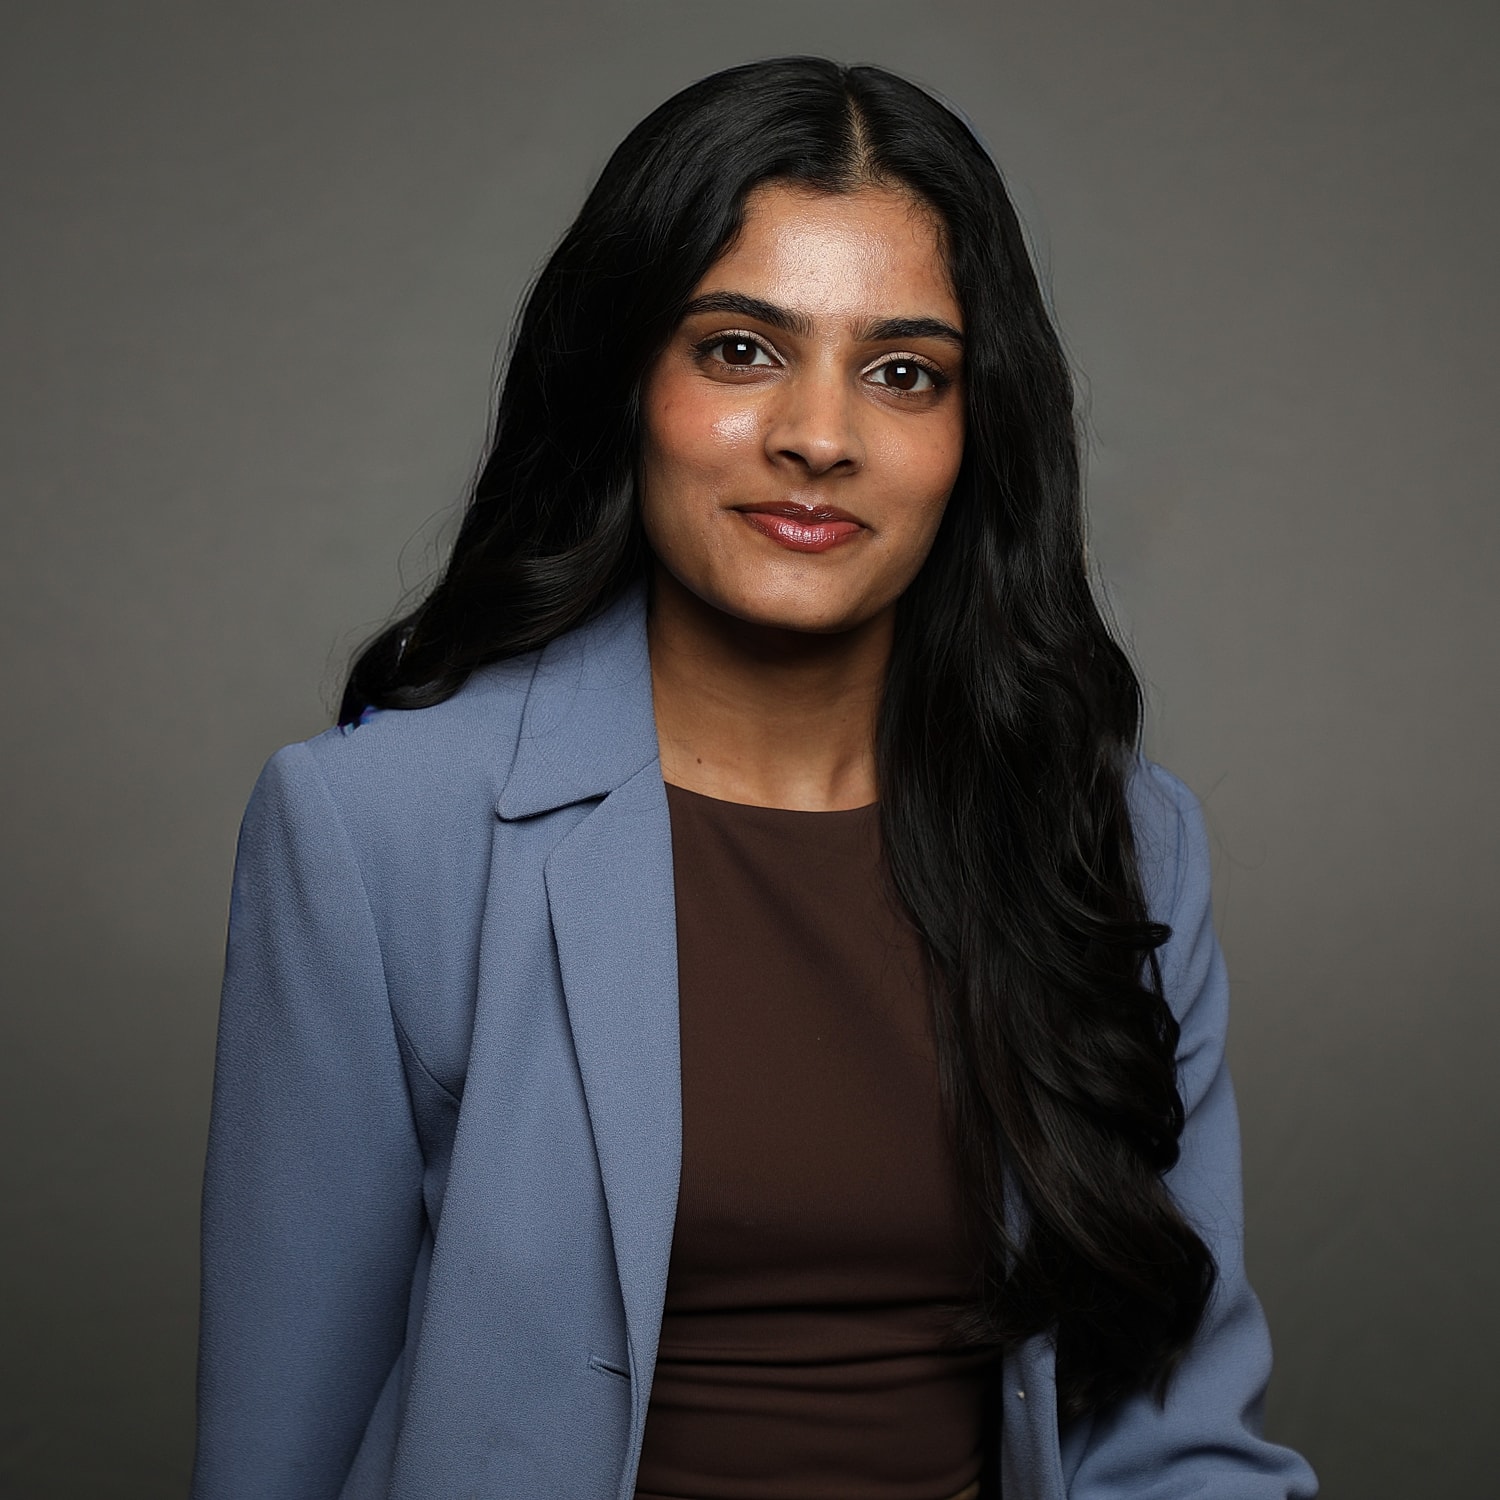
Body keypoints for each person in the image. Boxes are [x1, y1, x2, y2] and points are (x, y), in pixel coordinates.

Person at [191, 56, 1318, 1500]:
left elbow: (1177, 1434)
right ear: (627, 382)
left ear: (976, 432)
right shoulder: (374, 832)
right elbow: (276, 1442)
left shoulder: (1120, 845)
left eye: (904, 372)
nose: (820, 437)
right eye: (739, 349)